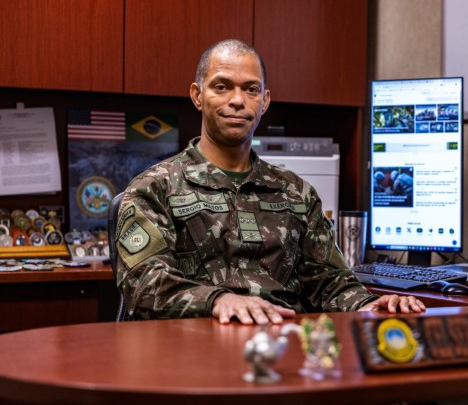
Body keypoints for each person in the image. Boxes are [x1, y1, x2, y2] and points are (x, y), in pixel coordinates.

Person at [115, 39, 425, 325]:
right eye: (222, 87)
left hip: (282, 344)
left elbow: (329, 283)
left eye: (251, 90)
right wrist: (218, 300)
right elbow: (144, 284)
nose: (238, 100)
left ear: (264, 101)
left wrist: (368, 304)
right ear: (197, 95)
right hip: (195, 348)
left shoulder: (296, 193)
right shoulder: (154, 188)